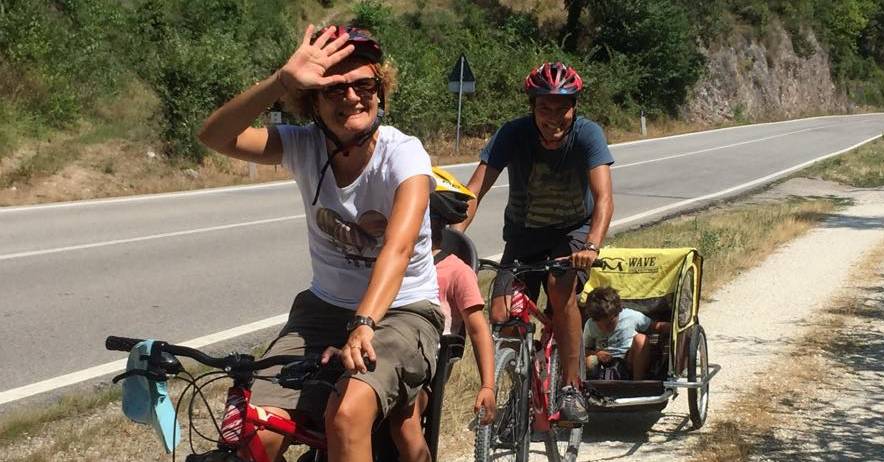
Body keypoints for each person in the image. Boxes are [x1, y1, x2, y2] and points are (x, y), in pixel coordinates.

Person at [197, 24, 442, 462]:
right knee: (255, 427)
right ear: (312, 101)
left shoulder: (404, 154)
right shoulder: (304, 146)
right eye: (333, 88)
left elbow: (398, 248)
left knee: (346, 414)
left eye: (363, 84)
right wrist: (280, 82)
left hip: (402, 310)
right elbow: (214, 137)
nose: (351, 96)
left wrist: (364, 322)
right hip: (321, 309)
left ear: (380, 90)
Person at [454, 62, 614, 424]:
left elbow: (603, 197)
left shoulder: (588, 135)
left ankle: (572, 387)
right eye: (545, 108)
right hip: (524, 235)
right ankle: (522, 383)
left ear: (574, 107)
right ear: (532, 107)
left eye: (563, 108)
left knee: (561, 289)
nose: (554, 117)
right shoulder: (512, 134)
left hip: (571, 233)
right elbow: (474, 190)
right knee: (500, 313)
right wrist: (453, 237)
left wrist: (592, 245)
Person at [389, 167, 497, 462]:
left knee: (402, 418)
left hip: (423, 371)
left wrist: (487, 385)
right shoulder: (391, 263)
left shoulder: (457, 271)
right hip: (384, 355)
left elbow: (477, 328)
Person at [582, 287, 668, 381]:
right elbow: (584, 350)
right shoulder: (590, 325)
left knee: (641, 339)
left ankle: (637, 383)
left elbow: (656, 327)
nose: (606, 327)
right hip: (604, 364)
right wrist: (597, 353)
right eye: (601, 323)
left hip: (628, 361)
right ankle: (593, 385)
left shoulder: (631, 317)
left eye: (610, 322)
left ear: (616, 313)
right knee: (590, 360)